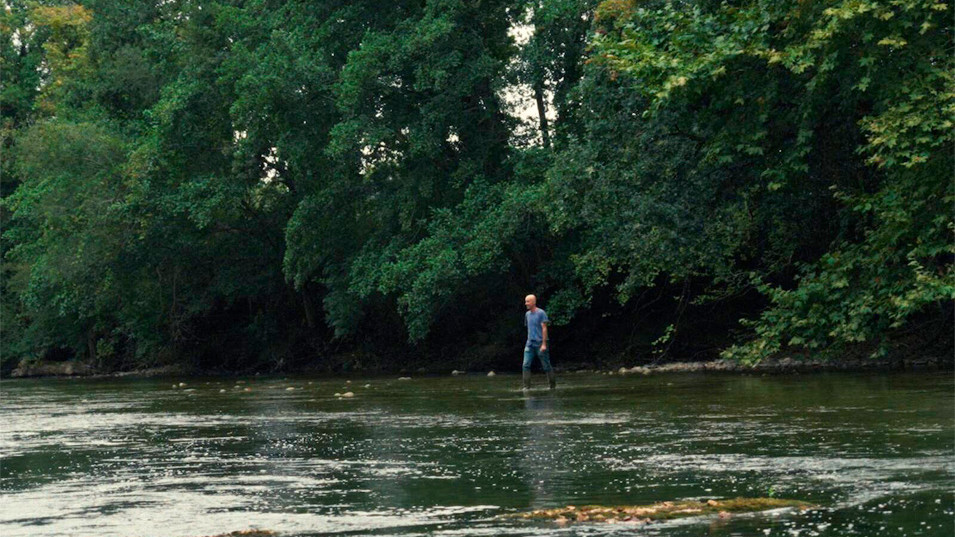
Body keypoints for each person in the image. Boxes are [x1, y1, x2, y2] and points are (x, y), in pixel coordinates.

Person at [523, 294, 555, 390]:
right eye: (525, 301)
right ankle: (526, 387)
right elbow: (529, 328)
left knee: (546, 366)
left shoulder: (541, 313)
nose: (526, 303)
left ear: (534, 302)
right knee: (525, 365)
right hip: (530, 343)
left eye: (528, 301)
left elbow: (544, 328)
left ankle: (552, 386)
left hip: (540, 343)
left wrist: (544, 344)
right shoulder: (527, 314)